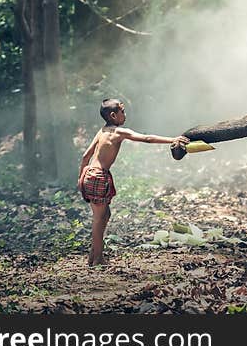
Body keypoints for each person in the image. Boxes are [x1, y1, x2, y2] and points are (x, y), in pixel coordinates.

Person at [78, 98, 189, 266]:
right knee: (99, 218)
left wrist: (81, 178)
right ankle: (97, 259)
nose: (125, 114)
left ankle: (94, 254)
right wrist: (173, 139)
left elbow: (86, 156)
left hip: (90, 174)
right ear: (114, 115)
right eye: (123, 111)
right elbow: (147, 138)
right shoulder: (118, 133)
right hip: (99, 176)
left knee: (104, 215)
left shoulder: (102, 131)